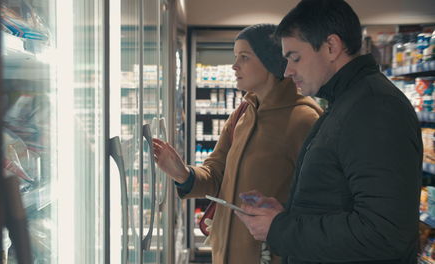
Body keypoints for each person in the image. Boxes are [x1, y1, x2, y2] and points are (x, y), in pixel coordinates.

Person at [235, 1, 423, 264]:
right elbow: (338, 200)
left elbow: (384, 234)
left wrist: (281, 229)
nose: (288, 71)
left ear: (332, 47)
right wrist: (287, 215)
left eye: (295, 57)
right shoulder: (347, 101)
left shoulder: (374, 108)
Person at [152, 24, 323, 264]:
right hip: (226, 254)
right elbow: (215, 173)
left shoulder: (304, 120)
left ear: (270, 62)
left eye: (244, 57)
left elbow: (320, 203)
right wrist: (183, 174)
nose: (235, 66)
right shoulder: (242, 113)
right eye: (235, 57)